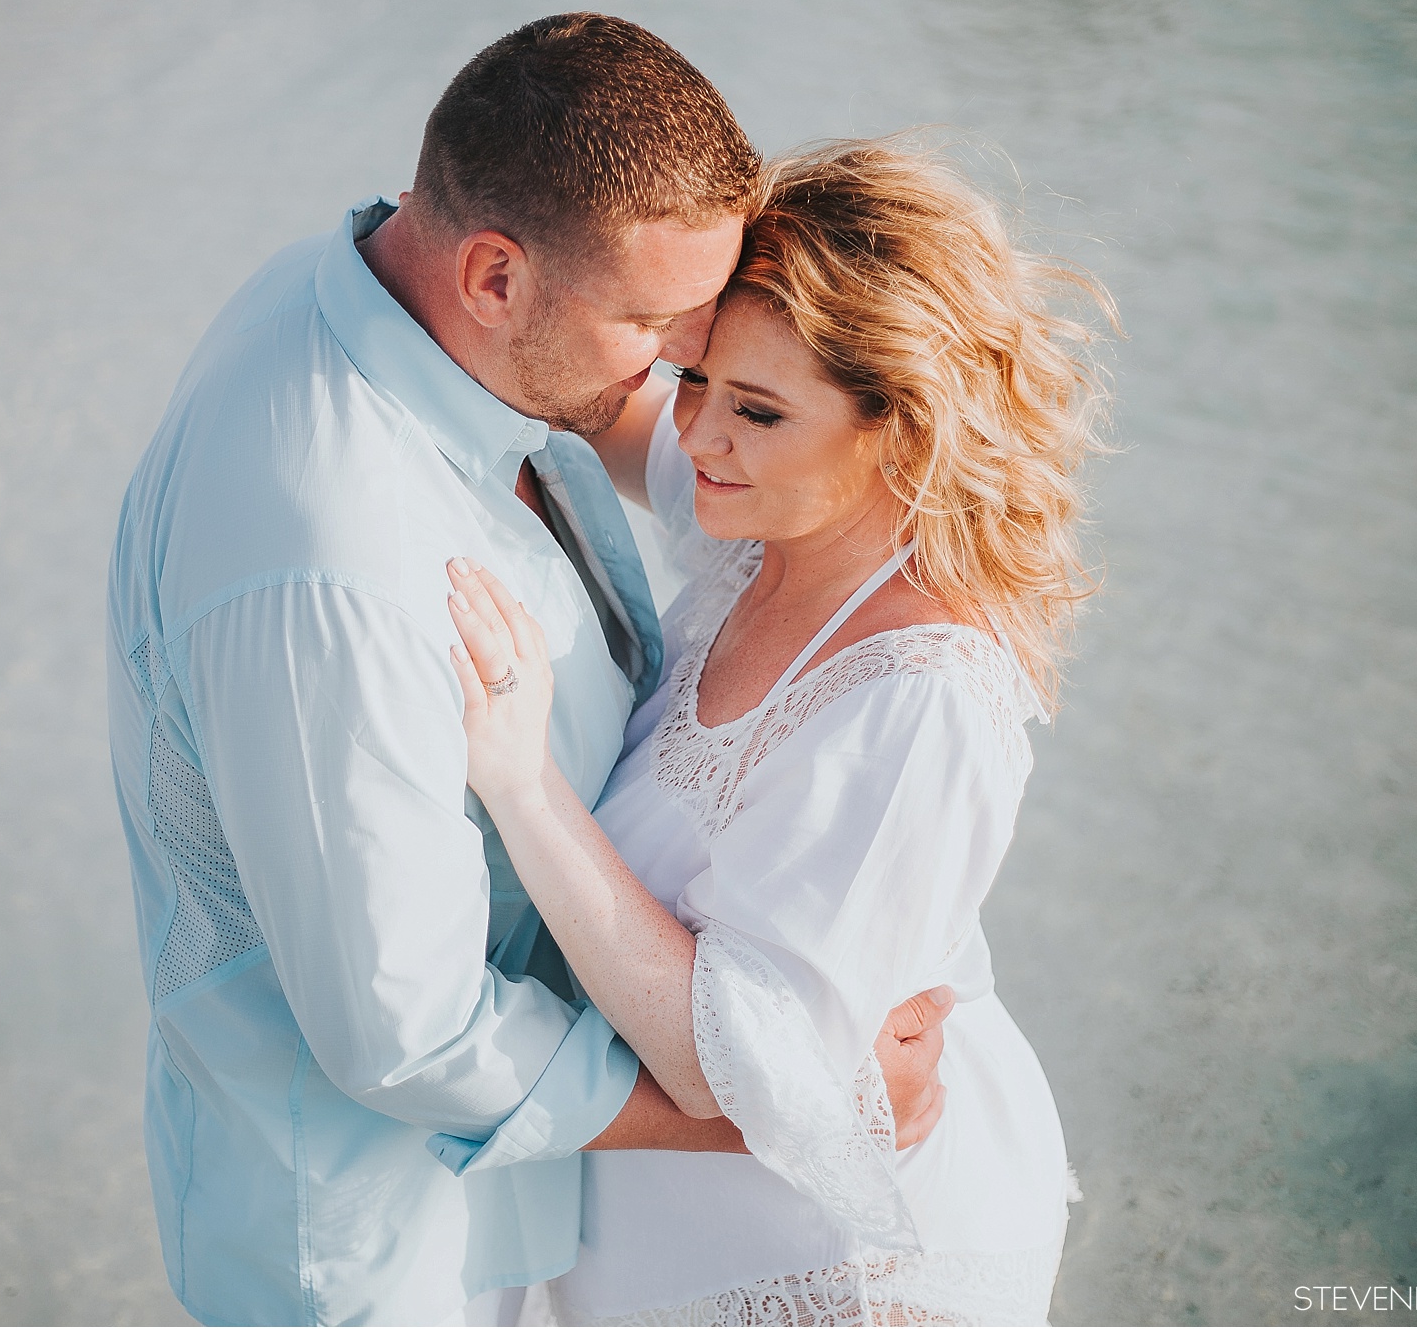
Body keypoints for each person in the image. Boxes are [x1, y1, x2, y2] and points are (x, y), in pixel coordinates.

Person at [107, 17, 952, 1326]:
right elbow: (408, 1027)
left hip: (513, 1203)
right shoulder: (331, 567)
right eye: (653, 319)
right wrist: (776, 1118)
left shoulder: (385, 298)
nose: (683, 360)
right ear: (494, 275)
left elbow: (677, 445)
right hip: (377, 1252)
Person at [444, 140, 1114, 1325]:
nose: (697, 435)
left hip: (827, 1267)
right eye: (698, 376)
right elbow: (595, 389)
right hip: (681, 1223)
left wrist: (518, 779)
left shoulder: (922, 697)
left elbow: (723, 1056)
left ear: (897, 430)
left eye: (753, 408)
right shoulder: (766, 521)